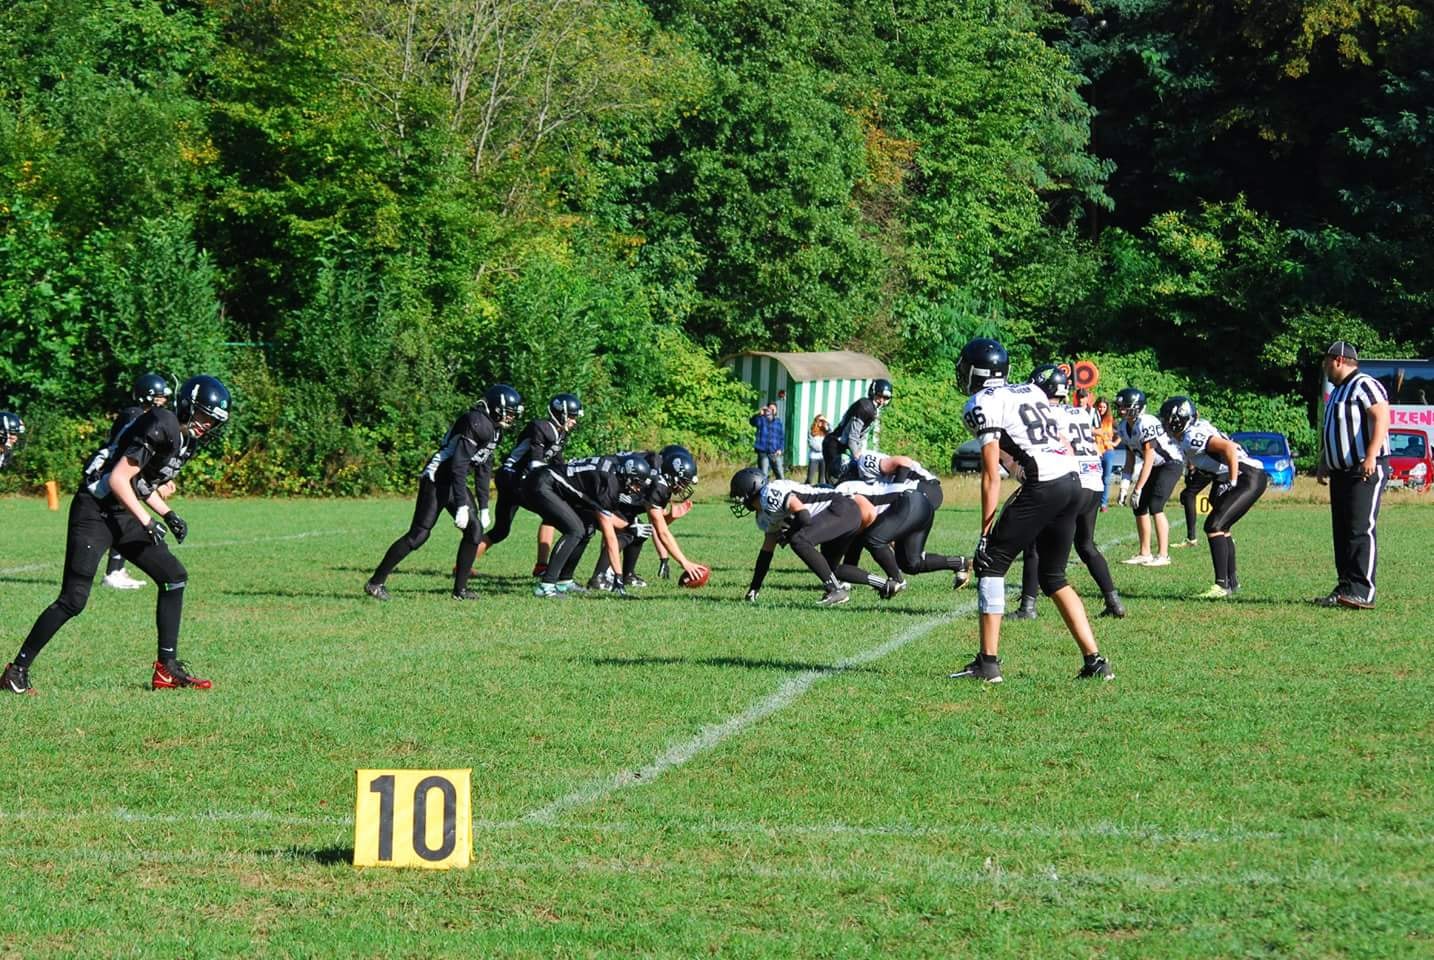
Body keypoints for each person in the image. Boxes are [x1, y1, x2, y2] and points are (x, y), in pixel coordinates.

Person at [3, 376, 231, 695]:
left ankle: (167, 669)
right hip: (94, 509)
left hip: (122, 510)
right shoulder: (162, 423)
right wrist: (148, 522)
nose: (207, 425)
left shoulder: (186, 440)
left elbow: (142, 484)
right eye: (205, 416)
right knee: (73, 599)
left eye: (213, 421)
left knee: (174, 576)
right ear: (188, 406)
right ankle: (17, 670)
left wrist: (167, 513)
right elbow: (119, 479)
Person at [946, 338, 1112, 684]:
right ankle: (1095, 660)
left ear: (975, 371)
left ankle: (987, 663)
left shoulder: (980, 402)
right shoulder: (1031, 392)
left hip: (1045, 485)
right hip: (1072, 480)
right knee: (1054, 577)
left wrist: (985, 530)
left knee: (991, 563)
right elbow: (1058, 443)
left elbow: (992, 474)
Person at [364, 384, 522, 602]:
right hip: (437, 479)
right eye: (510, 412)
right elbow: (458, 465)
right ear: (496, 407)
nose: (512, 416)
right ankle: (375, 583)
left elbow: (484, 468)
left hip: (453, 480)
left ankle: (460, 590)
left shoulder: (494, 429)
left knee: (475, 530)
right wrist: (463, 505)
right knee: (418, 535)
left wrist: (484, 506)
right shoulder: (475, 422)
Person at [1009, 366, 1126, 620]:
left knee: (1034, 546)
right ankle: (1113, 600)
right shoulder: (1082, 413)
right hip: (1093, 483)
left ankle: (1027, 607)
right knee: (1086, 545)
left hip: (1069, 482)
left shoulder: (1045, 413)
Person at [729, 467, 897, 606]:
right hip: (842, 513)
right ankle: (884, 584)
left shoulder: (769, 494)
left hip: (841, 509)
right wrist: (754, 588)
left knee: (799, 539)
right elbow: (766, 552)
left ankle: (836, 590)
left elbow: (803, 516)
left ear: (751, 489)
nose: (739, 500)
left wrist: (789, 534)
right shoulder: (764, 514)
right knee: (830, 568)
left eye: (739, 494)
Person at [1160, 397, 1267, 599]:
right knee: (1221, 527)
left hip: (1246, 476)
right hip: (1246, 475)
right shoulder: (1190, 433)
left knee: (1214, 525)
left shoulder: (1192, 436)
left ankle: (1221, 585)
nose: (1166, 425)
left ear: (1179, 420)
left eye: (1168, 420)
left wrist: (1233, 482)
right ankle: (1231, 582)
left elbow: (1229, 448)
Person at [470, 393, 581, 579]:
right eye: (572, 416)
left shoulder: (559, 433)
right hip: (513, 478)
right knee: (551, 513)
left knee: (501, 530)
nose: (574, 421)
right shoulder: (540, 427)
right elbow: (536, 463)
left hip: (517, 479)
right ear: (560, 414)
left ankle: (463, 565)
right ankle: (541, 566)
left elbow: (557, 462)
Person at [1314, 340, 1390, 609]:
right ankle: (1345, 586)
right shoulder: (1337, 391)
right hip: (1341, 471)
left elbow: (1381, 416)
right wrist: (1325, 460)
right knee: (1343, 530)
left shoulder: (1364, 384)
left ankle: (1363, 589)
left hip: (1364, 468)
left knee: (1360, 529)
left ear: (1337, 360)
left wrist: (1370, 455)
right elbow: (1333, 429)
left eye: (1326, 361)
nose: (1324, 366)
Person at [82, 372, 175, 591]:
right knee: (124, 522)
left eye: (164, 398)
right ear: (146, 396)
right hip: (111, 479)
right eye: (158, 397)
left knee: (125, 521)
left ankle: (116, 570)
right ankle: (113, 571)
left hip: (125, 477)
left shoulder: (145, 417)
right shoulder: (135, 415)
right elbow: (128, 453)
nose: (162, 402)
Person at [835, 452, 970, 591]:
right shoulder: (862, 485)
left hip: (920, 490)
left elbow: (903, 462)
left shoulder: (863, 464)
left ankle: (896, 580)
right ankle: (958, 563)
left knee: (873, 538)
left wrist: (896, 492)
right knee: (910, 563)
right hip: (915, 501)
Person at [523, 453, 650, 598]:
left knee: (587, 529)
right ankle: (546, 585)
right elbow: (609, 535)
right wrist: (618, 576)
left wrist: (629, 526)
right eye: (636, 483)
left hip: (553, 486)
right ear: (627, 476)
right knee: (575, 530)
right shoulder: (609, 483)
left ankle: (564, 580)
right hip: (543, 484)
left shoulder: (612, 474)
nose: (637, 489)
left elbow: (607, 516)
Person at [586, 445, 708, 589]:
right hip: (599, 488)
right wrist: (684, 562)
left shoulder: (659, 476)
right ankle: (599, 577)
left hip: (616, 494)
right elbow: (662, 531)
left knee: (640, 531)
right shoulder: (658, 484)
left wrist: (671, 517)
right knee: (628, 532)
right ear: (672, 475)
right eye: (682, 482)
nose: (683, 487)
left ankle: (627, 575)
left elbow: (657, 525)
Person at [1114, 387, 1183, 566]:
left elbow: (1149, 457)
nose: (1121, 410)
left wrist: (1137, 488)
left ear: (1137, 407)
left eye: (1125, 407)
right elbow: (1130, 459)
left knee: (1156, 505)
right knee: (1139, 506)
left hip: (1169, 463)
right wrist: (1124, 486)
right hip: (1153, 465)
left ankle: (1163, 554)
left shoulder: (1146, 422)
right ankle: (1145, 552)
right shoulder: (1123, 426)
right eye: (1120, 406)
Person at [823, 379, 892, 480]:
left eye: (885, 397)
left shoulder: (872, 408)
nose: (881, 400)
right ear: (873, 393)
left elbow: (859, 437)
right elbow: (852, 438)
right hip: (835, 444)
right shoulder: (866, 407)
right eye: (879, 395)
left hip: (843, 446)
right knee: (838, 481)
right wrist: (859, 458)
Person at [1093, 396, 1120, 510]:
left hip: (1108, 450)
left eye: (1104, 407)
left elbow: (1120, 434)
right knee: (1095, 477)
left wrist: (1115, 443)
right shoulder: (1091, 418)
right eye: (1099, 407)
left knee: (1106, 477)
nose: (1101, 409)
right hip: (1095, 450)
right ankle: (1094, 502)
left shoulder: (1111, 420)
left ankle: (1103, 503)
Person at [751, 403, 785, 479]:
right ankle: (763, 490)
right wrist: (759, 414)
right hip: (763, 452)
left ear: (775, 411)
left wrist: (780, 449)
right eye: (770, 408)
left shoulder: (778, 422)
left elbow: (781, 437)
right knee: (764, 474)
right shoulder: (761, 419)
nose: (772, 410)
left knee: (780, 474)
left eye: (774, 409)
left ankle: (781, 489)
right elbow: (752, 422)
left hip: (775, 452)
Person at [806, 415, 829, 484]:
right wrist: (824, 448)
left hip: (823, 457)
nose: (821, 422)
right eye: (819, 420)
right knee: (810, 478)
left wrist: (827, 422)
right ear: (816, 421)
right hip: (814, 457)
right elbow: (811, 444)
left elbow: (832, 432)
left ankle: (819, 493)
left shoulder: (825, 431)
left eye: (822, 421)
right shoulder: (811, 430)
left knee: (822, 479)